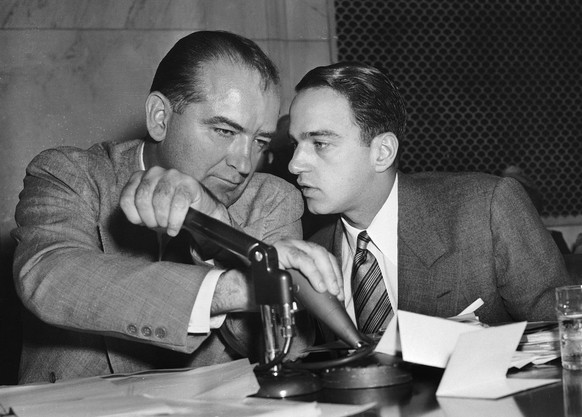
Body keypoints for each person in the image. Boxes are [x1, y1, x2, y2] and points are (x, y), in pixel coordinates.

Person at [11, 31, 342, 384]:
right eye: (225, 131)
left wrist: (218, 237)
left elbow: (287, 352)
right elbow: (51, 278)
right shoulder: (72, 174)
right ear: (159, 117)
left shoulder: (273, 199)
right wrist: (238, 288)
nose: (245, 163)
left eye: (259, 141)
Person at [287, 62, 571, 337]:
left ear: (382, 152)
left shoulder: (485, 210)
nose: (295, 164)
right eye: (295, 144)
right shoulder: (313, 253)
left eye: (320, 143)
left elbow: (567, 337)